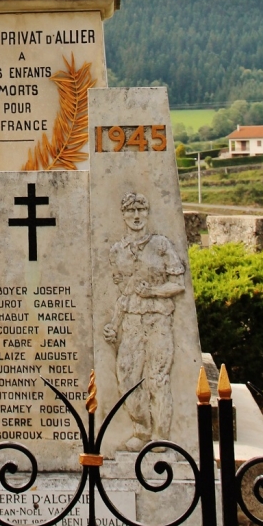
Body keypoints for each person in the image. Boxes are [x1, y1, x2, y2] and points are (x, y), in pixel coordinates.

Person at [104, 192, 185, 452]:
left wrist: (153, 291)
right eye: (131, 211)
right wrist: (114, 325)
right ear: (124, 215)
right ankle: (141, 430)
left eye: (141, 211)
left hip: (158, 319)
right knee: (127, 378)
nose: (137, 216)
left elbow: (178, 284)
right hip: (131, 321)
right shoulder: (118, 251)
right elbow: (124, 293)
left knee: (157, 378)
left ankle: (161, 437)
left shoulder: (161, 244)